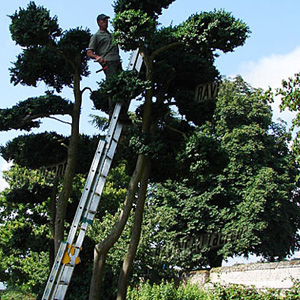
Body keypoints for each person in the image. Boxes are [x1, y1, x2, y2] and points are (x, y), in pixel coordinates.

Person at [87, 14, 122, 79]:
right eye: (103, 21)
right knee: (113, 82)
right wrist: (97, 57)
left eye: (106, 21)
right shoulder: (96, 36)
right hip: (108, 62)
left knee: (122, 82)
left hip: (117, 61)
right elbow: (89, 52)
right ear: (98, 23)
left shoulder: (111, 35)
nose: (105, 22)